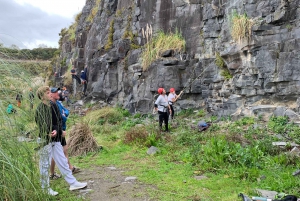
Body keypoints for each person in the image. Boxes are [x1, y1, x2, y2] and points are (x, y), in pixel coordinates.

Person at [35, 86, 87, 196]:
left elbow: (59, 119)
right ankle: (45, 188)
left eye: (50, 92)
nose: (50, 94)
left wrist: (59, 130)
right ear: (42, 95)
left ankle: (73, 183)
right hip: (45, 139)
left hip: (57, 138)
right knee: (44, 164)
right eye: (47, 92)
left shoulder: (53, 105)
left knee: (63, 161)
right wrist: (52, 131)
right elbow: (42, 124)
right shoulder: (39, 109)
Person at [49, 88, 80, 180]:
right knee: (57, 153)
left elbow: (66, 111)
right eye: (55, 92)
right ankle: (57, 173)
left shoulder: (58, 103)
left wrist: (64, 114)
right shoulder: (52, 105)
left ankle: (68, 169)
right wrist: (60, 129)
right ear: (51, 94)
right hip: (57, 132)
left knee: (63, 150)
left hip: (60, 130)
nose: (58, 93)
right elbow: (59, 119)